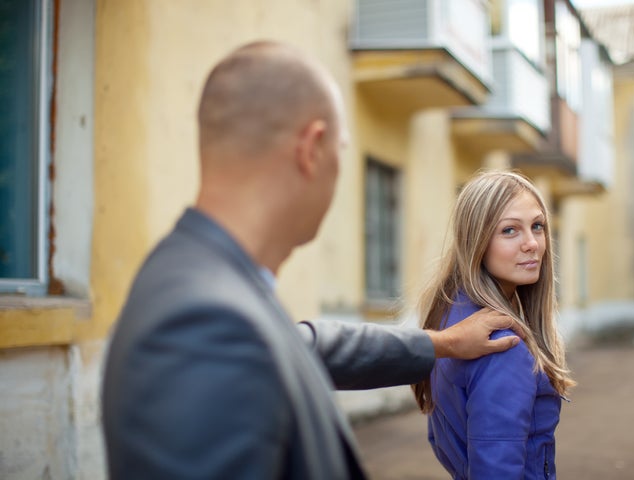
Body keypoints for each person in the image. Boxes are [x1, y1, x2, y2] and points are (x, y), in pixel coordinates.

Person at [101, 41, 522, 479]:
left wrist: (443, 343)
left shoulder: (204, 280)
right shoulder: (205, 324)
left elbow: (305, 344)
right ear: (312, 149)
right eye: (340, 150)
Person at [411, 171, 576, 479]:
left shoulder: (450, 317)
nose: (532, 244)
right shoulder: (502, 346)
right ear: (477, 241)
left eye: (537, 226)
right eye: (510, 230)